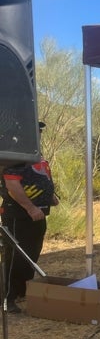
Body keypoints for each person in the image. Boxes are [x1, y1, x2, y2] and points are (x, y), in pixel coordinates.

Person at [0, 122, 58, 313]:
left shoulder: (33, 152)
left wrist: (50, 196)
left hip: (39, 213)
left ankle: (22, 291)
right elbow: (12, 185)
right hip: (19, 215)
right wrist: (31, 208)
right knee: (15, 256)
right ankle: (7, 298)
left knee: (31, 255)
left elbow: (39, 176)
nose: (39, 134)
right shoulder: (16, 153)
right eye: (36, 131)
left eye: (40, 132)